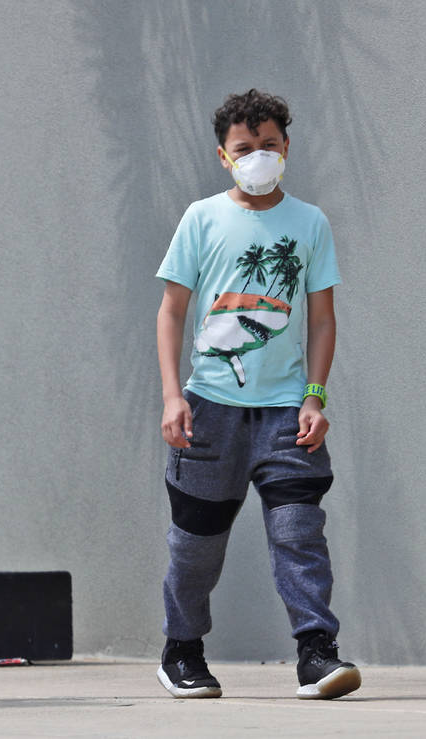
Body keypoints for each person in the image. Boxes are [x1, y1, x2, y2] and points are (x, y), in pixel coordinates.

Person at [154, 89, 360, 700]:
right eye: (245, 148)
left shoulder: (310, 223)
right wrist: (173, 396)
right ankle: (182, 649)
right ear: (224, 156)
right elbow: (171, 313)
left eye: (269, 145)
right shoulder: (201, 218)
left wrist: (315, 397)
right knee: (196, 549)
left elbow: (322, 320)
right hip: (208, 411)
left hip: (286, 413)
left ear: (287, 147)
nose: (259, 156)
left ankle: (316, 654)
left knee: (299, 534)